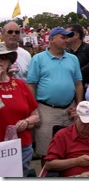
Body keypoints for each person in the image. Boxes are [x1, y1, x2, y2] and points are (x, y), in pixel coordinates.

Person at [27, 27, 84, 162]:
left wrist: (78, 106)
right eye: (63, 37)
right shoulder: (38, 59)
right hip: (46, 111)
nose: (67, 40)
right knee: (47, 152)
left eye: (67, 38)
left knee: (71, 150)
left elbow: (78, 84)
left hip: (70, 110)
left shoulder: (73, 59)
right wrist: (34, 111)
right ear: (51, 39)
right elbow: (31, 85)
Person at [0, 43, 40, 176]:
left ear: (9, 62)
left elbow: (36, 116)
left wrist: (27, 122)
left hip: (21, 146)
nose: (0, 62)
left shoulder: (20, 85)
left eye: (3, 58)